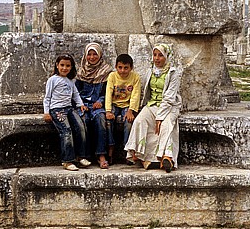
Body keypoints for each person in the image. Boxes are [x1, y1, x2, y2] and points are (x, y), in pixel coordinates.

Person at [124, 43, 182, 173]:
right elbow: (147, 92)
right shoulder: (150, 71)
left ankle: (166, 157)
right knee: (140, 121)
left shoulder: (173, 74)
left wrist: (159, 118)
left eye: (160, 55)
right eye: (155, 55)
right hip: (152, 104)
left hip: (168, 107)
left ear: (166, 57)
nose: (156, 58)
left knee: (166, 126)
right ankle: (142, 156)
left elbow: (169, 97)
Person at [43, 54, 92, 171]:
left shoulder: (70, 81)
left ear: (71, 67)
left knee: (81, 127)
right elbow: (47, 97)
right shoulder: (53, 80)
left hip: (69, 108)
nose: (64, 68)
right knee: (66, 132)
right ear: (57, 65)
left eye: (68, 66)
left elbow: (75, 94)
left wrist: (81, 105)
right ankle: (67, 160)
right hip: (57, 109)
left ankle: (80, 156)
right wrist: (46, 112)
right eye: (62, 65)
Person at [75, 42, 113, 169]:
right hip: (83, 104)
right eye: (89, 54)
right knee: (83, 120)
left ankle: (101, 155)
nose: (92, 57)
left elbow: (107, 91)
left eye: (94, 54)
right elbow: (76, 92)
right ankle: (84, 155)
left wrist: (100, 101)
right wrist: (81, 104)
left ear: (100, 55)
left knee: (100, 119)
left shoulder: (106, 71)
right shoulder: (81, 71)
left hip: (98, 105)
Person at [104, 53, 141, 163]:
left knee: (129, 122)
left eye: (126, 68)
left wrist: (131, 111)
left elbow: (136, 95)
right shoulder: (112, 76)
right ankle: (110, 149)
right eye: (120, 67)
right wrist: (108, 111)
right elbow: (108, 93)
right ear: (116, 67)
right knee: (108, 121)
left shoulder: (135, 77)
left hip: (127, 105)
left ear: (131, 68)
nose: (123, 70)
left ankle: (128, 152)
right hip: (114, 104)